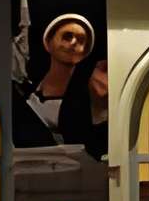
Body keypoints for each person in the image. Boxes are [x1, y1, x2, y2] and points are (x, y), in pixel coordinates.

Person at [12, 10, 109, 159]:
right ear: (48, 42)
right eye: (67, 36)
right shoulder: (24, 92)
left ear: (85, 51)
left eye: (81, 40)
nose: (73, 43)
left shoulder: (90, 94)